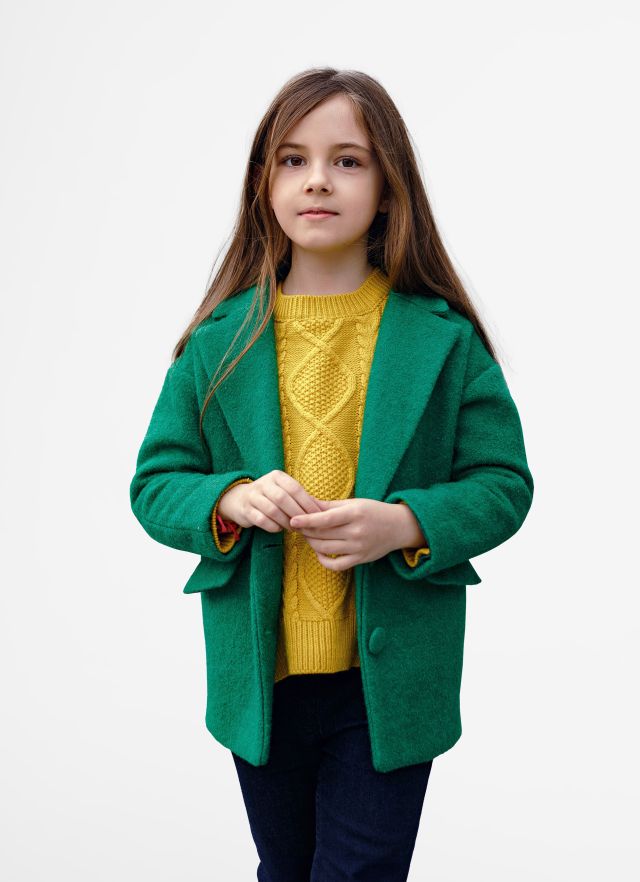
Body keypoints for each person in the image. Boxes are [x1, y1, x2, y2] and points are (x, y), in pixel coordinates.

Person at [129, 67, 534, 882]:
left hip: (388, 684)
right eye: (292, 159)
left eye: (348, 160)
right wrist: (230, 498)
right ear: (264, 185)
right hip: (263, 679)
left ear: (388, 188)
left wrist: (406, 523)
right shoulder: (219, 342)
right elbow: (156, 482)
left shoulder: (443, 339)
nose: (317, 179)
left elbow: (503, 482)